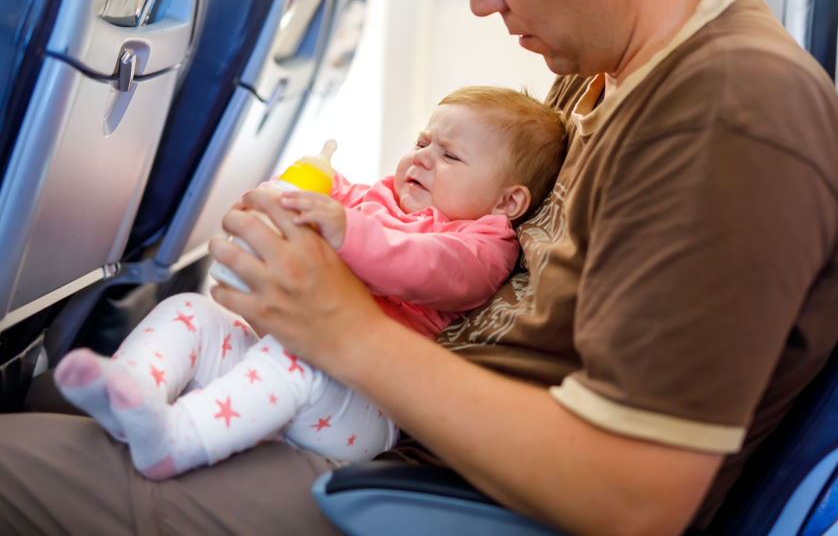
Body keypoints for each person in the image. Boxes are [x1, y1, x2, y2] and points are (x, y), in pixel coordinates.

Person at [0, 0, 838, 535]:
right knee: (58, 395)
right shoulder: (599, 82)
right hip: (406, 434)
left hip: (434, 494)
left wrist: (342, 327)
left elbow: (635, 494)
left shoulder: (726, 116)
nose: (479, 1)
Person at [51, 86, 567, 480]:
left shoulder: (482, 244)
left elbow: (424, 267)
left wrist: (345, 230)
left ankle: (177, 439)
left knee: (294, 362)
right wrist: (285, 194)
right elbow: (320, 197)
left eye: (450, 156)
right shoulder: (376, 198)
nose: (424, 157)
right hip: (287, 360)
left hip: (365, 405)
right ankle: (134, 392)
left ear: (508, 201)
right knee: (192, 311)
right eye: (422, 141)